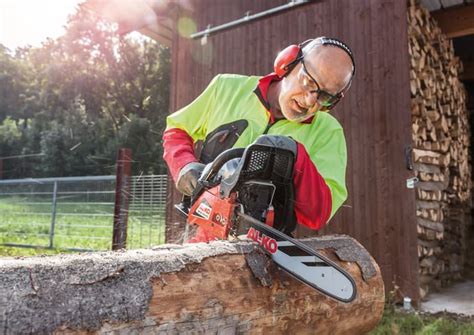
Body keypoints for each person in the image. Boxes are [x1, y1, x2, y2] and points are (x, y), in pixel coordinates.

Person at [163, 37, 355, 240]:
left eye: (325, 97)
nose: (310, 101)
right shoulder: (226, 88)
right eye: (309, 82)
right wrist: (184, 165)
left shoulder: (327, 131)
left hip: (265, 245)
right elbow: (177, 128)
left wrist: (296, 159)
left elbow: (318, 214)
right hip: (200, 229)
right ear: (288, 62)